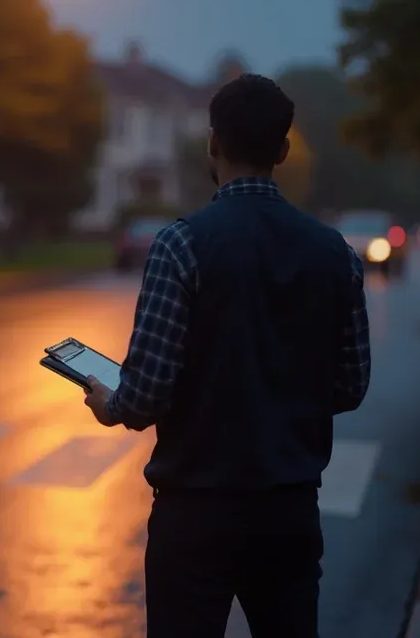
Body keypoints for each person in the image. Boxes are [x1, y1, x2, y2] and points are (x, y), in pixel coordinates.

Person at [82, 73, 371, 638]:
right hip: (289, 508)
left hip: (195, 510)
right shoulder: (335, 253)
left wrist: (108, 401)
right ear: (284, 151)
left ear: (213, 142)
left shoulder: (181, 244)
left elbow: (146, 396)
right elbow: (351, 383)